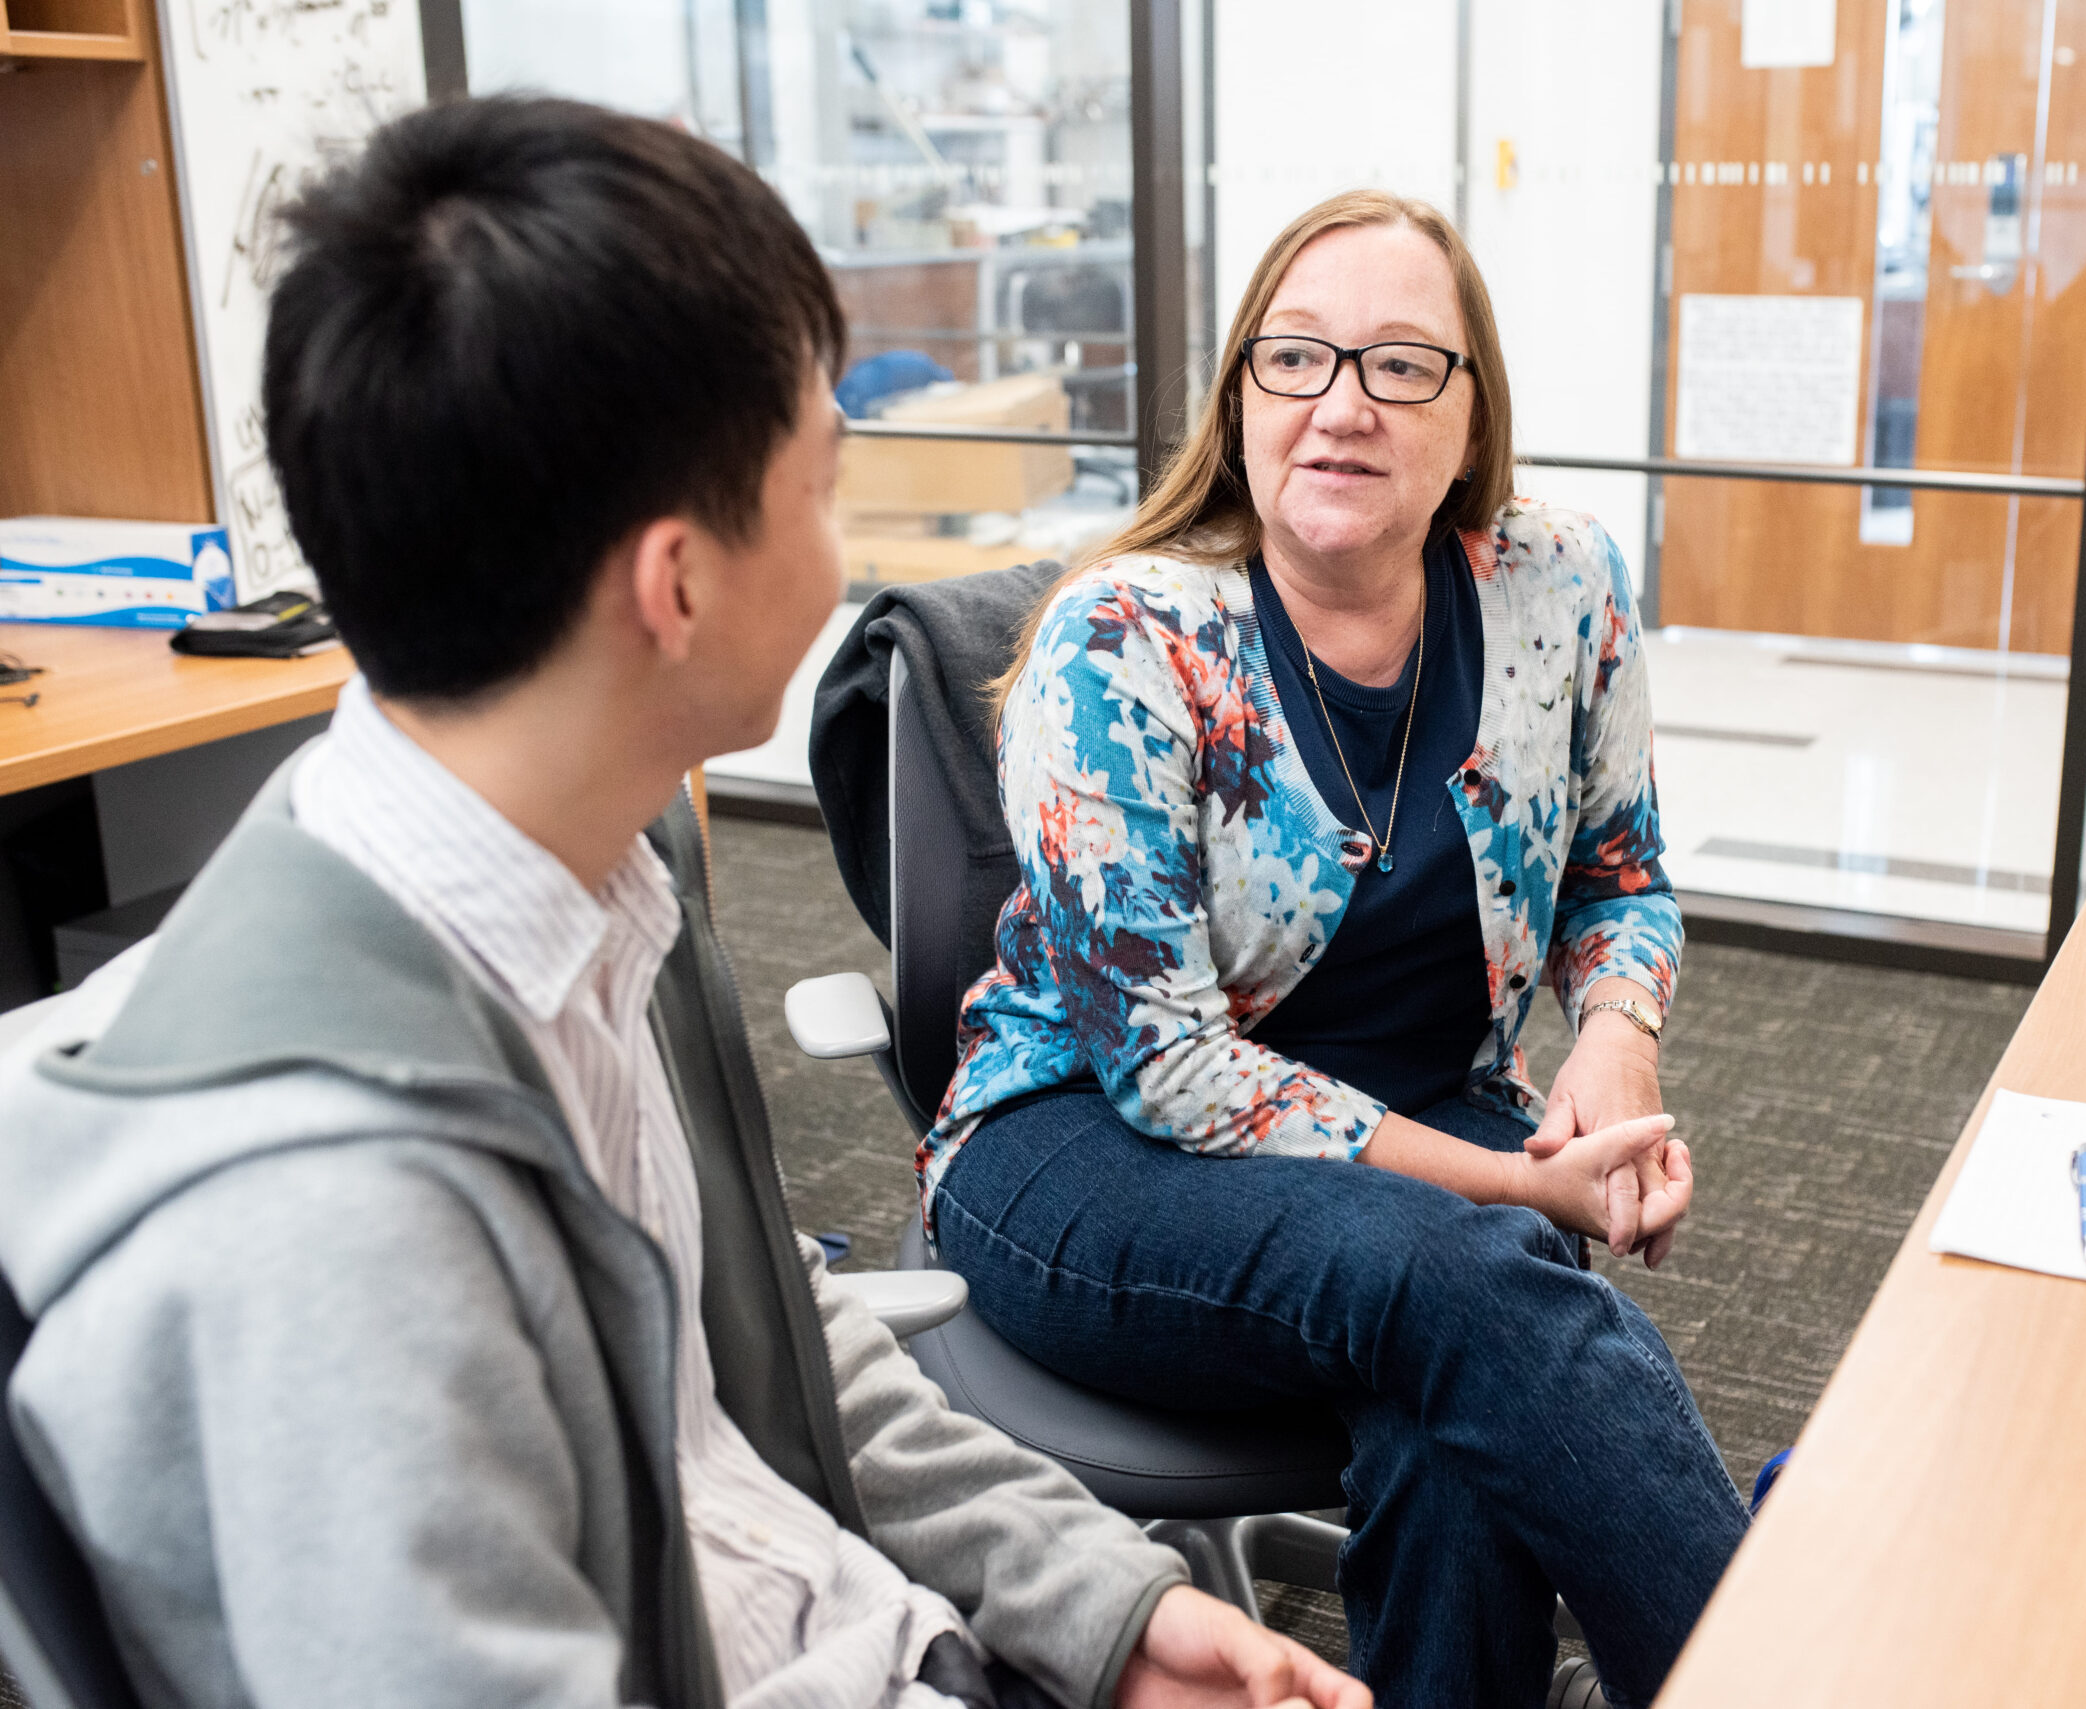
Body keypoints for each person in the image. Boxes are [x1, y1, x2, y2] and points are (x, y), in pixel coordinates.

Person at [0, 97, 1364, 1709]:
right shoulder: (336, 1236)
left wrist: (1104, 1608)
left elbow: (754, 1329)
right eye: (823, 473)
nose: (843, 533)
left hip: (876, 1623)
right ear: (678, 583)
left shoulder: (588, 862)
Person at [920, 189, 1753, 1709]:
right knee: (1476, 1279)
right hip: (1086, 1147)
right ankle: (1782, 1665)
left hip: (1429, 1140)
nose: (1342, 406)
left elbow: (1620, 874)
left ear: (1470, 411)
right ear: (1240, 398)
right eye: (1294, 359)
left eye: (1401, 366)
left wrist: (1617, 1034)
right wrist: (1514, 1182)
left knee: (1453, 1425)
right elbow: (1169, 1067)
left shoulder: (1554, 586)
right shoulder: (1125, 641)